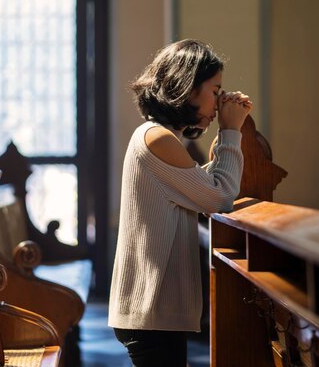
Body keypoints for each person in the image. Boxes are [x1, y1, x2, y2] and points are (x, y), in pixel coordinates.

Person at [108, 39, 252, 366]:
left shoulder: (158, 136)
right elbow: (219, 197)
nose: (218, 103)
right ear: (188, 88)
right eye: (215, 91)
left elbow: (201, 187)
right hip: (150, 310)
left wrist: (225, 139)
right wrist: (231, 131)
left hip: (152, 310)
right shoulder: (158, 138)